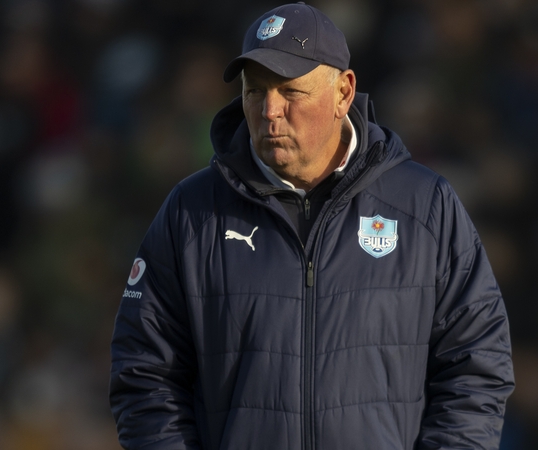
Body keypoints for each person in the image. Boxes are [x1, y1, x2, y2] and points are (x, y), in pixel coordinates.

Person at [109, 2, 515, 449]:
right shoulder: (190, 213)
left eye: (290, 91)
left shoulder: (425, 207)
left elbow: (476, 367)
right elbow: (145, 375)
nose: (269, 110)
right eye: (255, 91)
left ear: (343, 92)